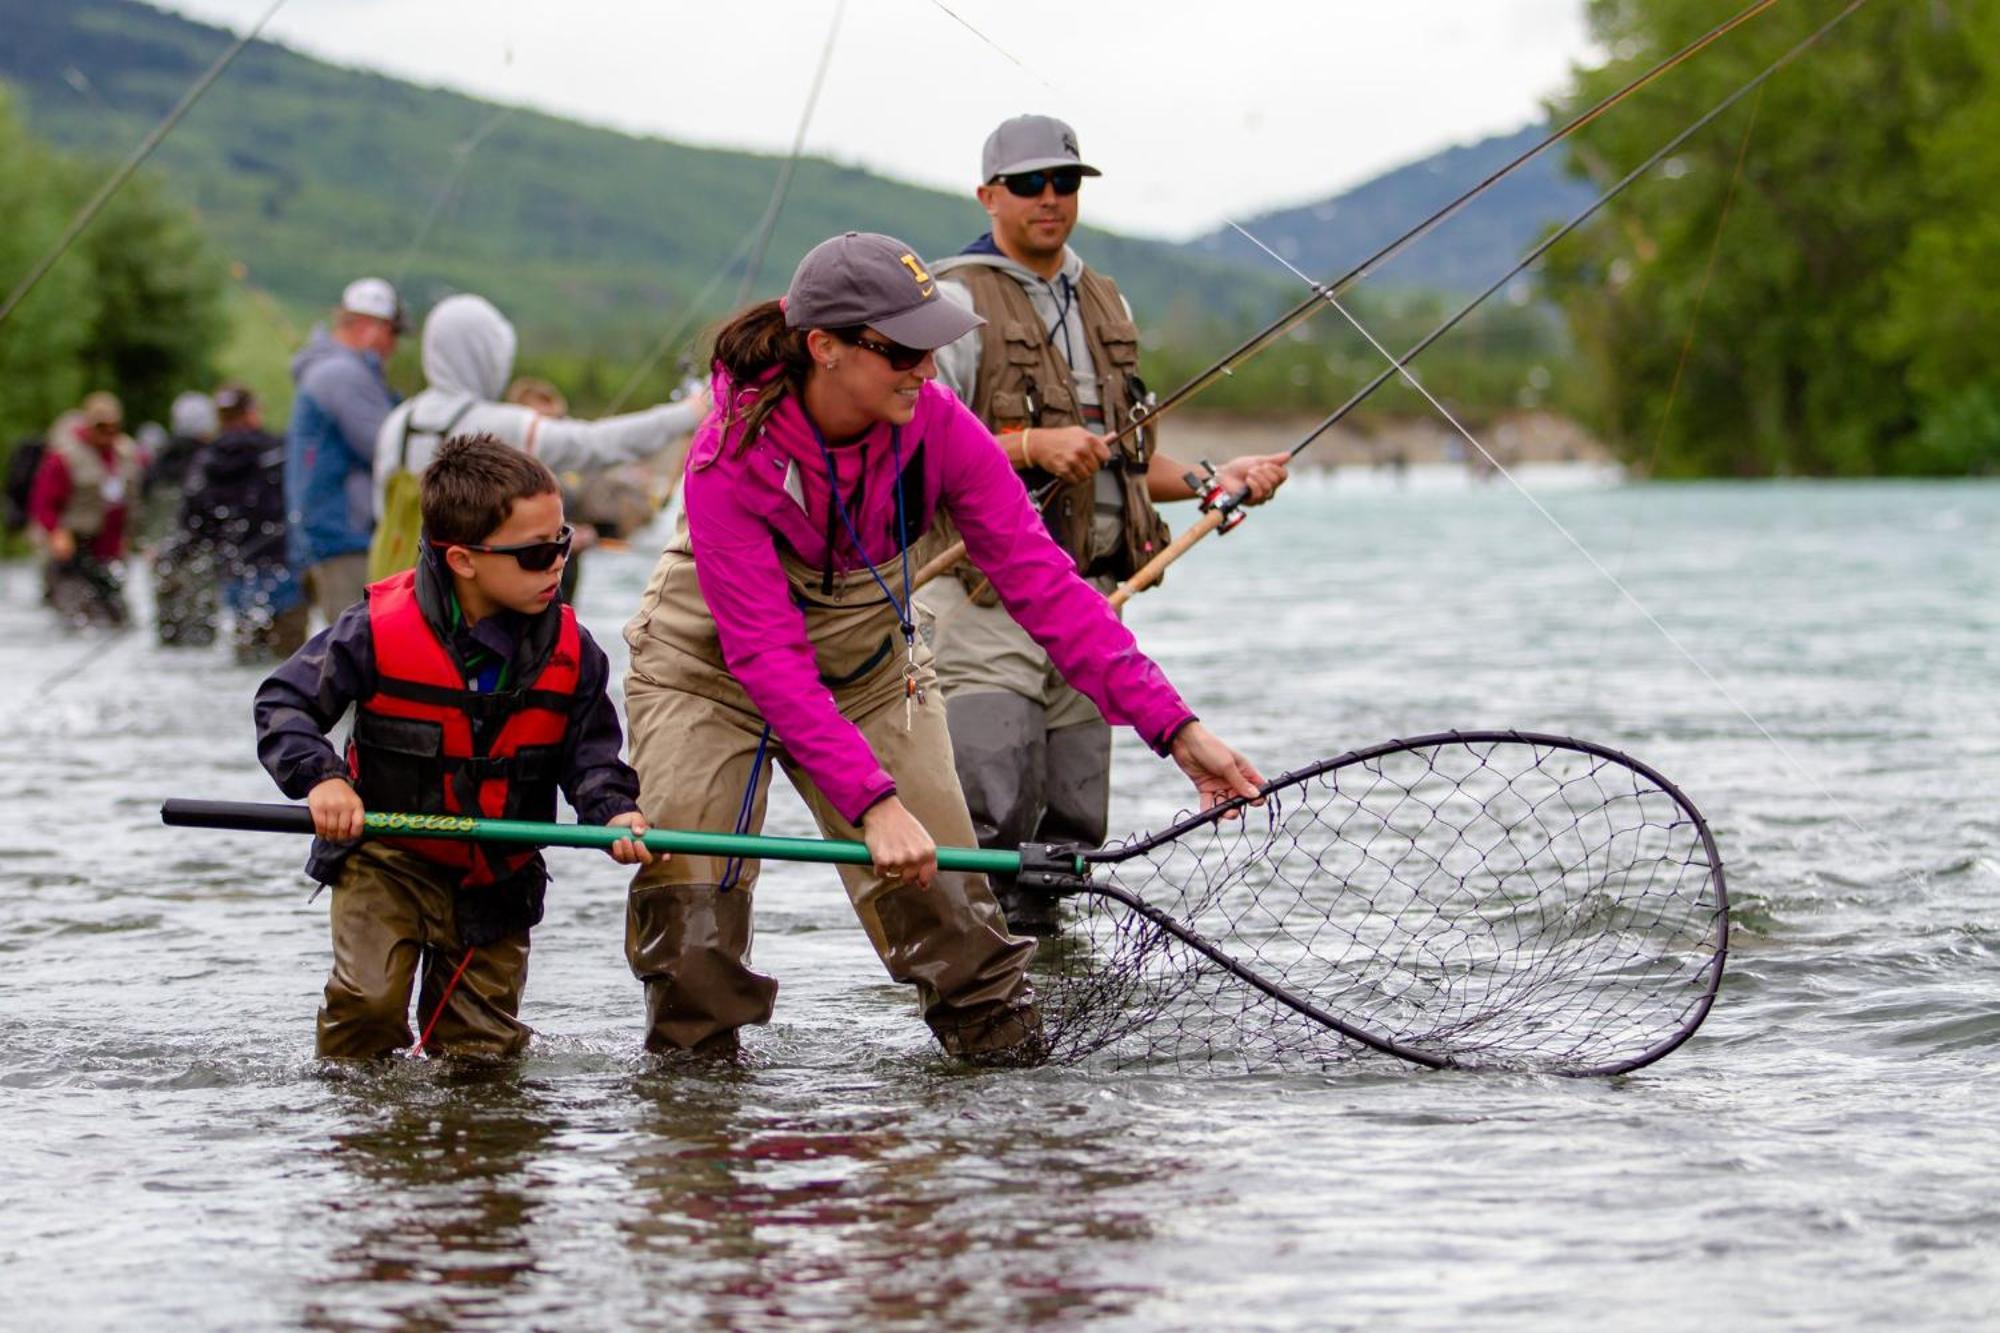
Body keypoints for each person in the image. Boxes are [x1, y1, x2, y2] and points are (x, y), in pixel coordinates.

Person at [620, 231, 1267, 1062]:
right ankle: (700, 1135)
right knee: (692, 926)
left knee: (953, 914)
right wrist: (872, 803)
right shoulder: (728, 454)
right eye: (902, 349)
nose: (926, 369)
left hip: (868, 667)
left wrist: (1177, 729)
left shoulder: (937, 425)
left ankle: (997, 1126)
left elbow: (1048, 588)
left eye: (933, 345)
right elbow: (767, 658)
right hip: (707, 671)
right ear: (825, 348)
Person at [922, 114, 1292, 934]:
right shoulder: (949, 300)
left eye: (1065, 182)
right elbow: (908, 432)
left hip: (1093, 600)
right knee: (989, 813)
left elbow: (1126, 461)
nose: (1049, 198)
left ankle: (1047, 1007)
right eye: (1027, 184)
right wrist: (1026, 444)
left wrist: (1207, 479)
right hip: (979, 598)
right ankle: (968, 1003)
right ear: (988, 194)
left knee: (1071, 832)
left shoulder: (1105, 299)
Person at [253, 433, 653, 1059]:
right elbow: (284, 704)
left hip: (501, 873)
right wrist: (321, 778)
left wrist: (613, 811)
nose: (557, 564)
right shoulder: (373, 632)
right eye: (536, 553)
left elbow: (591, 758)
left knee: (480, 1051)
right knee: (367, 1007)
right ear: (463, 560)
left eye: (563, 543)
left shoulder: (576, 653)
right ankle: (363, 1135)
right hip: (386, 859)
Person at [369, 294, 708, 579]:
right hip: (464, 597)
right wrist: (689, 412)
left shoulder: (398, 421)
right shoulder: (500, 424)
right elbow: (596, 444)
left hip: (396, 582)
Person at [286, 277, 406, 628]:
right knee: (360, 661)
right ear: (370, 327)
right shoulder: (342, 374)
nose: (393, 346)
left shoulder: (331, 370)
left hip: (329, 536)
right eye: (392, 333)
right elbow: (387, 449)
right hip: (344, 539)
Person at [173, 384, 310, 662]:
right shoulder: (280, 450)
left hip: (236, 576)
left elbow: (192, 521)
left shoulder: (205, 461)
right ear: (252, 413)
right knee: (292, 665)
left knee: (247, 660)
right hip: (282, 569)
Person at [27, 391, 145, 627]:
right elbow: (42, 503)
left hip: (108, 550)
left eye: (113, 426)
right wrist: (56, 532)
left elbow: (133, 501)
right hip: (71, 548)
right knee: (81, 620)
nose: (107, 433)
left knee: (119, 620)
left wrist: (129, 536)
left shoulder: (128, 454)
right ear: (88, 425)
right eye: (100, 427)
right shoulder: (64, 457)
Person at [151, 390, 222, 647]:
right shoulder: (212, 458)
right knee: (201, 627)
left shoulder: (161, 458)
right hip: (198, 554)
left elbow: (147, 506)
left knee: (169, 628)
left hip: (164, 554)